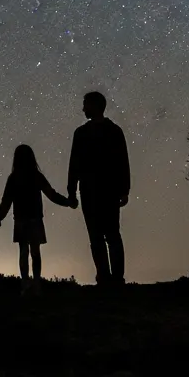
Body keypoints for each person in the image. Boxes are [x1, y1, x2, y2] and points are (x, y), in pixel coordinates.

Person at [67, 90, 130, 286]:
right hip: (107, 190)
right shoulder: (114, 131)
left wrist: (72, 189)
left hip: (93, 191)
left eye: (85, 104)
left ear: (94, 106)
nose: (83, 108)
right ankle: (114, 278)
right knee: (111, 234)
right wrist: (124, 189)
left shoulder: (83, 133)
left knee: (99, 236)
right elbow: (123, 162)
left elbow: (74, 164)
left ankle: (106, 277)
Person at [0, 144, 74, 288]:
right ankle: (36, 283)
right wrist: (67, 202)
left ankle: (25, 284)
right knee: (35, 252)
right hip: (35, 219)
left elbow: (6, 201)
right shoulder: (36, 176)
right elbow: (52, 194)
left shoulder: (14, 178)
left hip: (21, 220)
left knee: (24, 252)